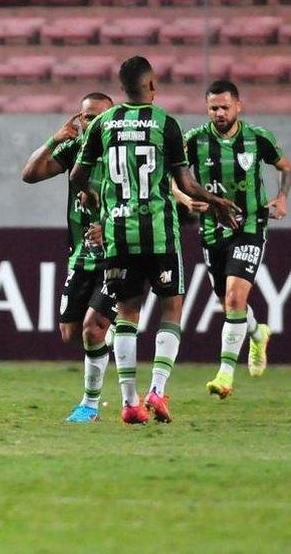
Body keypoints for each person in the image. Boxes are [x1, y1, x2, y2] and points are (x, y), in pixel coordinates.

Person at [69, 56, 238, 424]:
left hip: (118, 236)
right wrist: (216, 201)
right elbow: (186, 183)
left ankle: (129, 402)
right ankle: (157, 391)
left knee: (126, 313)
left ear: (122, 88)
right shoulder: (165, 124)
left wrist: (94, 197)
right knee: (171, 309)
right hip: (159, 233)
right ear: (151, 85)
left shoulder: (104, 123)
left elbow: (77, 175)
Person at [176, 79, 289, 399]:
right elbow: (170, 175)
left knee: (235, 299)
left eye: (225, 107)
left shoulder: (257, 138)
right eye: (213, 108)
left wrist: (282, 196)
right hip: (213, 230)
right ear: (206, 108)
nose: (219, 113)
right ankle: (258, 333)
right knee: (229, 304)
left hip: (250, 226)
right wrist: (185, 200)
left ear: (238, 106)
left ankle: (225, 375)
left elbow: (285, 167)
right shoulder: (194, 140)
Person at [21, 92, 117, 422]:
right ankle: (111, 332)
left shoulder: (123, 153)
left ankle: (90, 405)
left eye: (101, 117)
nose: (94, 122)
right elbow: (30, 174)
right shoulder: (75, 148)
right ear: (80, 119)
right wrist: (55, 139)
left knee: (93, 330)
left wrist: (110, 227)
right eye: (88, 117)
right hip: (81, 256)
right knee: (70, 333)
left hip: (117, 256)